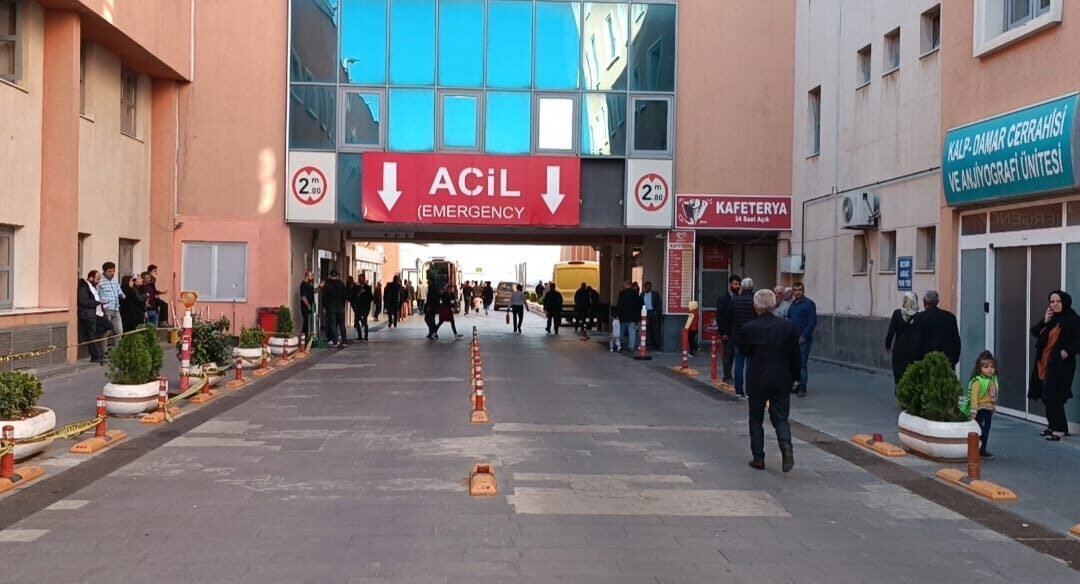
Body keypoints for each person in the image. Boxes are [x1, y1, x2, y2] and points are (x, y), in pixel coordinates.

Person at [735, 289, 801, 472]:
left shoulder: (749, 328)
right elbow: (795, 356)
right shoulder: (787, 327)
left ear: (756, 307)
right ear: (773, 305)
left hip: (757, 379)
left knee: (756, 419)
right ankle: (786, 447)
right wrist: (796, 378)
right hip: (781, 379)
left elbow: (743, 351)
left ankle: (758, 458)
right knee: (781, 417)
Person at [1029, 290, 1080, 441]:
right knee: (1046, 395)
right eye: (1052, 302)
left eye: (1058, 301)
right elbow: (1035, 331)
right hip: (1045, 363)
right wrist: (1044, 321)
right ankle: (1053, 426)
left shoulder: (1072, 320)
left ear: (1065, 302)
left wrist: (1067, 352)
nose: (1055, 304)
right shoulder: (1051, 319)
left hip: (1061, 365)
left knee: (1054, 396)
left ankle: (1060, 429)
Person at [963, 351, 999, 458]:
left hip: (988, 410)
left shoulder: (993, 380)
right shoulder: (978, 381)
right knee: (980, 431)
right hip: (980, 410)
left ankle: (982, 449)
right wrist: (973, 411)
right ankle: (975, 449)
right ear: (979, 369)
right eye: (986, 367)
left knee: (986, 431)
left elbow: (993, 395)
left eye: (992, 367)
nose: (990, 369)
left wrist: (993, 406)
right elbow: (974, 397)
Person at [913, 290, 961, 367]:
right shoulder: (950, 317)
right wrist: (954, 360)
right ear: (937, 302)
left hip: (925, 363)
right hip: (946, 362)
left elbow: (916, 342)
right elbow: (956, 341)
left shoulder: (919, 318)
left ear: (924, 302)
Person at [726, 278, 756, 398]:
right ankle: (749, 390)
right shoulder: (755, 300)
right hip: (752, 336)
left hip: (738, 336)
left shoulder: (734, 300)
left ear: (742, 287)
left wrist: (730, 333)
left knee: (739, 363)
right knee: (751, 364)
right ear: (752, 288)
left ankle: (739, 390)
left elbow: (729, 318)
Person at [787, 281, 817, 398]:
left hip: (803, 339)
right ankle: (795, 385)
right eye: (795, 290)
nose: (798, 292)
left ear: (803, 291)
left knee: (802, 364)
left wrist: (804, 336)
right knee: (794, 364)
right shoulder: (793, 305)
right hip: (792, 339)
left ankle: (802, 388)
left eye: (800, 290)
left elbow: (812, 322)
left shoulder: (809, 304)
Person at [885, 292, 922, 386]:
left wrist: (888, 346)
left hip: (899, 349)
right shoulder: (920, 316)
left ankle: (899, 392)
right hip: (914, 350)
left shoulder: (897, 314)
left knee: (899, 376)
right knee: (913, 377)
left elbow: (890, 332)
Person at [716, 275, 742, 384]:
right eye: (735, 284)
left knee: (735, 355)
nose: (737, 286)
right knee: (728, 354)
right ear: (730, 284)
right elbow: (720, 316)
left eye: (739, 284)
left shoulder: (740, 297)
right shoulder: (723, 299)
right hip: (727, 332)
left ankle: (734, 376)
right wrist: (723, 333)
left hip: (737, 332)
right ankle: (727, 376)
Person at [77, 271, 107, 365]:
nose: (98, 281)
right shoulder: (84, 287)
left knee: (104, 330)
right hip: (88, 315)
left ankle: (100, 354)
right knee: (91, 335)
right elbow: (83, 301)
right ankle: (96, 356)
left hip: (96, 314)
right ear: (91, 278)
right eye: (97, 279)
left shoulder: (93, 287)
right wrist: (97, 303)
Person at [98, 262, 125, 347]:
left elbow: (119, 291)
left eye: (113, 271)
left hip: (116, 308)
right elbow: (96, 295)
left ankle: (116, 350)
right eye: (110, 271)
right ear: (104, 271)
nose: (112, 273)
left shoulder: (115, 281)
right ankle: (103, 351)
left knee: (119, 331)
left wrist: (122, 295)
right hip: (106, 309)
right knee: (106, 331)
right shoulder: (100, 282)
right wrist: (101, 302)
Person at [323, 271, 348, 348]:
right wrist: (343, 305)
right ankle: (344, 341)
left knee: (333, 325)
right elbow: (345, 295)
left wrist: (325, 307)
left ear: (330, 276)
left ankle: (335, 342)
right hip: (340, 307)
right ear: (337, 276)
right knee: (342, 325)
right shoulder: (341, 284)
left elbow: (325, 297)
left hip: (331, 307)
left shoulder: (327, 284)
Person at [616, 280, 643, 352]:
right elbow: (639, 304)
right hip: (632, 316)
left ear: (626, 285)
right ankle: (631, 346)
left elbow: (619, 305)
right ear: (630, 285)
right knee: (632, 331)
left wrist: (617, 314)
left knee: (621, 331)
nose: (623, 286)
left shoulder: (622, 293)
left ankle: (619, 345)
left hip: (623, 316)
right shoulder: (635, 293)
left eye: (623, 285)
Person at [642, 282, 662, 349]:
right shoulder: (642, 294)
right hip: (645, 312)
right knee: (647, 328)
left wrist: (656, 311)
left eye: (649, 287)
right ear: (644, 287)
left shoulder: (655, 294)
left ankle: (656, 343)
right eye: (646, 287)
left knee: (655, 328)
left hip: (653, 312)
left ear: (651, 287)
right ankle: (648, 343)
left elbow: (658, 303)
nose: (647, 288)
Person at [352, 276, 372, 341]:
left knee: (365, 322)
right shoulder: (356, 288)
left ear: (364, 279)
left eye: (362, 278)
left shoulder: (368, 288)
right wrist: (359, 293)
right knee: (356, 322)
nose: (361, 279)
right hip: (358, 307)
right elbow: (354, 296)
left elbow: (371, 297)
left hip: (365, 307)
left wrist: (367, 303)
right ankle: (360, 336)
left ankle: (366, 336)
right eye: (360, 278)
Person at [299, 271, 317, 340]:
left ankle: (309, 338)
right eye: (311, 275)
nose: (312, 277)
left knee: (310, 322)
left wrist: (320, 287)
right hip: (306, 307)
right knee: (306, 322)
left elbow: (313, 291)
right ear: (307, 276)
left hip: (311, 306)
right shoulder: (303, 285)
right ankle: (304, 338)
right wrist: (308, 305)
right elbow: (303, 297)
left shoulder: (309, 284)